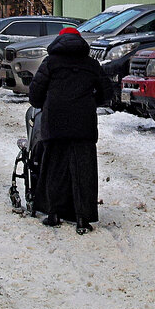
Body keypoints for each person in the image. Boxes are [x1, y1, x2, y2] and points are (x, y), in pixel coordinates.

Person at [28, 26, 112, 234]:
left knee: (55, 167)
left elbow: (35, 94)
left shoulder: (50, 63)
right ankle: (83, 218)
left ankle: (54, 213)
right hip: (83, 125)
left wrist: (43, 103)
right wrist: (91, 102)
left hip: (55, 123)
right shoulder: (91, 64)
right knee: (83, 170)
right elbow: (107, 92)